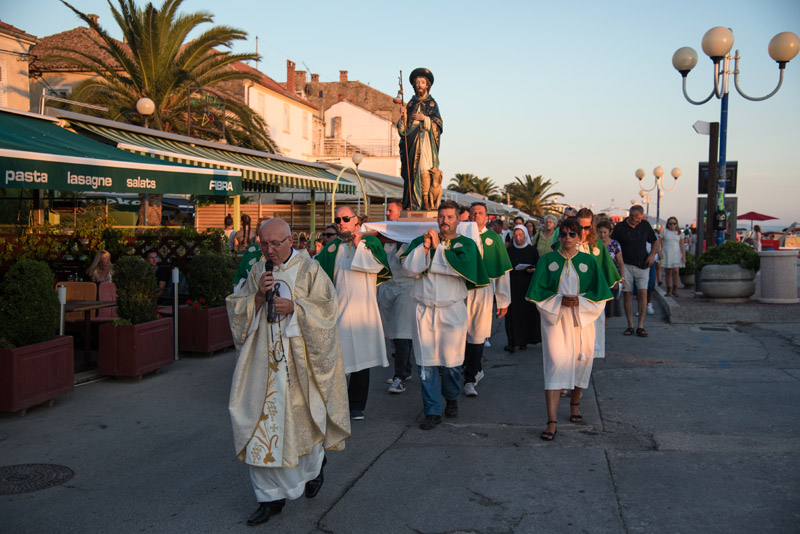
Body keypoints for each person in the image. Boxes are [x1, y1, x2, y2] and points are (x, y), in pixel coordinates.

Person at [225, 218, 351, 526]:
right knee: (259, 426)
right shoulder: (258, 271)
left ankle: (315, 466)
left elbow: (328, 308)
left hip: (298, 363)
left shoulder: (310, 270)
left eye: (275, 244)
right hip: (261, 365)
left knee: (301, 425)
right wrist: (256, 298)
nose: (269, 250)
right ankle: (269, 499)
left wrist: (295, 307)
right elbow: (235, 306)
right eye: (263, 244)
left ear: (290, 241)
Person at [401, 200, 489, 430]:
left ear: (458, 219)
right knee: (426, 364)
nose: (445, 221)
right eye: (441, 217)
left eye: (450, 217)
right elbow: (409, 269)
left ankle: (451, 398)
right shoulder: (422, 242)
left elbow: (455, 268)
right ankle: (432, 410)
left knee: (451, 362)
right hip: (424, 310)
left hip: (451, 310)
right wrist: (426, 248)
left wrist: (439, 247)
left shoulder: (466, 245)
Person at [526, 218, 612, 441]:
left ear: (579, 236)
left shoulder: (588, 262)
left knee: (581, 361)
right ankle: (551, 421)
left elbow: (600, 295)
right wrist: (559, 301)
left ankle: (575, 404)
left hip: (581, 321)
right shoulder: (547, 261)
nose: (567, 238)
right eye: (563, 234)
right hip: (556, 321)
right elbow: (537, 294)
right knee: (555, 364)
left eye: (572, 234)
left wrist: (581, 303)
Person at [315, 206, 392, 420]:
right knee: (337, 360)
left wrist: (360, 247)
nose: (341, 222)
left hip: (362, 312)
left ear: (356, 221)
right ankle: (336, 405)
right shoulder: (332, 247)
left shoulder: (371, 243)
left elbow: (377, 268)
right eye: (338, 219)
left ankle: (356, 405)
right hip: (338, 311)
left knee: (361, 359)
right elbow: (315, 272)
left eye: (346, 218)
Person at [463, 202, 512, 398]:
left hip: (483, 291)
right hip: (461, 291)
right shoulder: (461, 236)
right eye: (473, 213)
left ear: (486, 217)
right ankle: (465, 367)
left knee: (477, 333)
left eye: (480, 213)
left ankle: (471, 377)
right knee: (459, 333)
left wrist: (503, 300)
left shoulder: (493, 238)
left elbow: (502, 272)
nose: (476, 216)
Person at [378, 200, 416, 394]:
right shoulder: (384, 235)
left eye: (390, 211)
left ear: (400, 215)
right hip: (388, 288)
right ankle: (406, 369)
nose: (387, 213)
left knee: (402, 331)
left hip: (405, 288)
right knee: (393, 332)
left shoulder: (410, 237)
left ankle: (399, 376)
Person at [574, 208, 621, 360]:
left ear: (592, 225)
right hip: (573, 295)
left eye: (586, 227)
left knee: (593, 329)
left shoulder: (598, 246)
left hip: (593, 296)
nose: (583, 231)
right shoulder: (568, 242)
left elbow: (607, 269)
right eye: (580, 227)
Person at [611, 205, 659, 338]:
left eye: (640, 218)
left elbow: (655, 242)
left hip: (642, 264)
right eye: (637, 218)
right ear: (631, 215)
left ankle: (641, 325)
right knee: (627, 294)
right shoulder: (620, 227)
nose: (639, 221)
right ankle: (630, 324)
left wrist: (651, 255)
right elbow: (614, 245)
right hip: (625, 265)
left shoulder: (644, 225)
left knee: (643, 293)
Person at [398, 67, 442, 211]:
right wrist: (404, 117)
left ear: (427, 85)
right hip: (412, 142)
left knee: (425, 169)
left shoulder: (432, 104)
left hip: (426, 142)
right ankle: (412, 203)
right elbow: (404, 129)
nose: (419, 86)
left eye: (422, 82)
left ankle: (426, 202)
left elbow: (438, 124)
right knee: (412, 173)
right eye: (417, 83)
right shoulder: (411, 103)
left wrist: (425, 119)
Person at [504, 225, 541, 352]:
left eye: (521, 235)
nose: (518, 238)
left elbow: (538, 265)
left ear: (525, 236)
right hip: (513, 286)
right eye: (516, 236)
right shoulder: (509, 251)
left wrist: (533, 269)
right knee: (512, 315)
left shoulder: (532, 250)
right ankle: (512, 342)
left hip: (527, 285)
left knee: (525, 315)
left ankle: (524, 341)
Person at [597, 220, 625, 324]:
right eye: (600, 232)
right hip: (598, 279)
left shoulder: (614, 244)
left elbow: (620, 263)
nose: (602, 235)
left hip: (611, 279)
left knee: (609, 309)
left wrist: (622, 279)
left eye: (605, 232)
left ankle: (603, 331)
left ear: (610, 232)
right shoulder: (594, 244)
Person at [659, 217, 686, 297]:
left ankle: (675, 289)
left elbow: (682, 244)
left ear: (676, 224)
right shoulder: (665, 232)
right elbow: (658, 240)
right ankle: (668, 290)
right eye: (670, 223)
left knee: (676, 270)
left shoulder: (679, 233)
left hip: (676, 253)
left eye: (674, 223)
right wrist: (659, 250)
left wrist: (683, 255)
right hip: (667, 253)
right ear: (668, 224)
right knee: (668, 271)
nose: (672, 225)